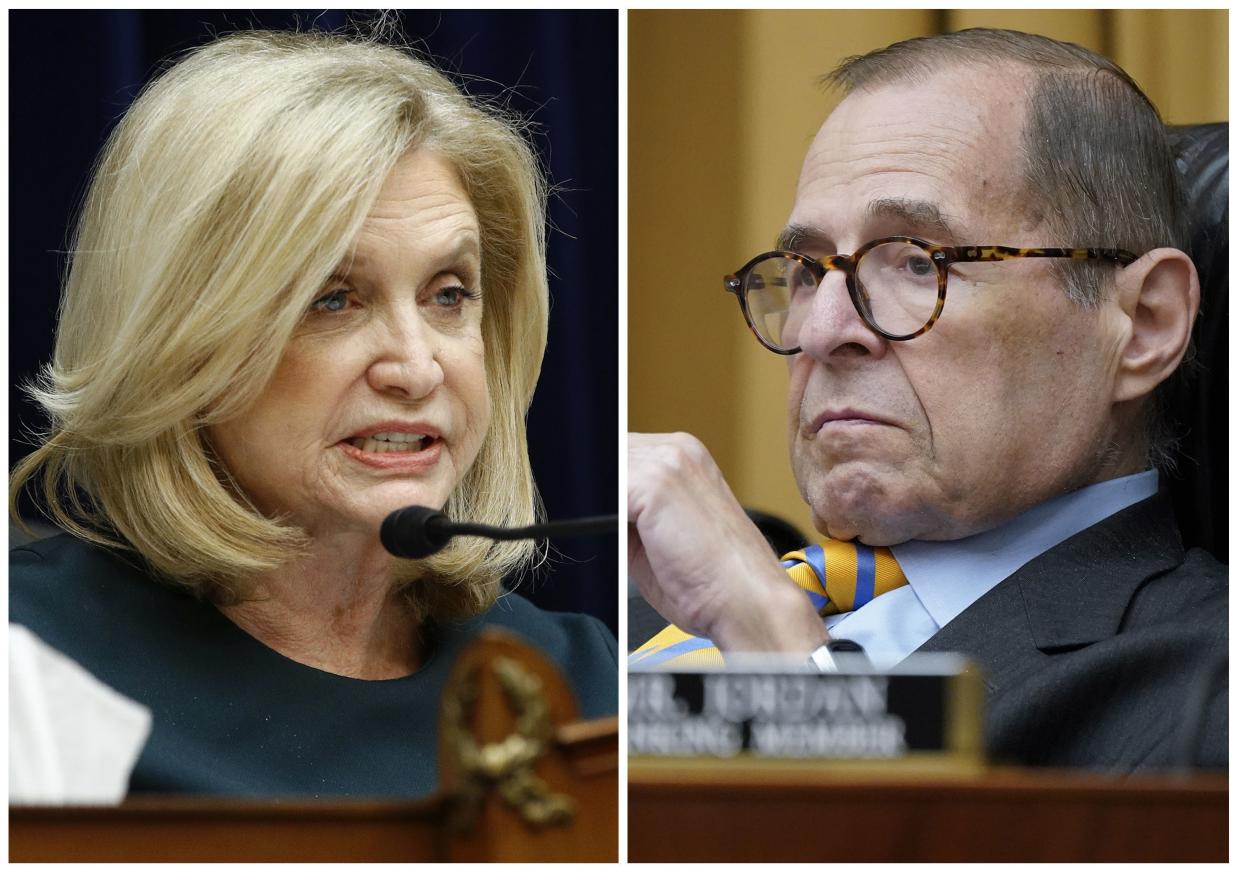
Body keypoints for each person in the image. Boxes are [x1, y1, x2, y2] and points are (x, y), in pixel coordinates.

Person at [10, 29, 617, 797]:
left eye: (448, 295)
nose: (417, 366)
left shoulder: (579, 689)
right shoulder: (29, 667)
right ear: (180, 343)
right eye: (333, 299)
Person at [628, 28, 1226, 771]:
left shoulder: (1201, 696)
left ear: (1143, 323)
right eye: (809, 271)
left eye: (917, 261)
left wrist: (772, 656)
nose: (821, 330)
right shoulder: (648, 587)